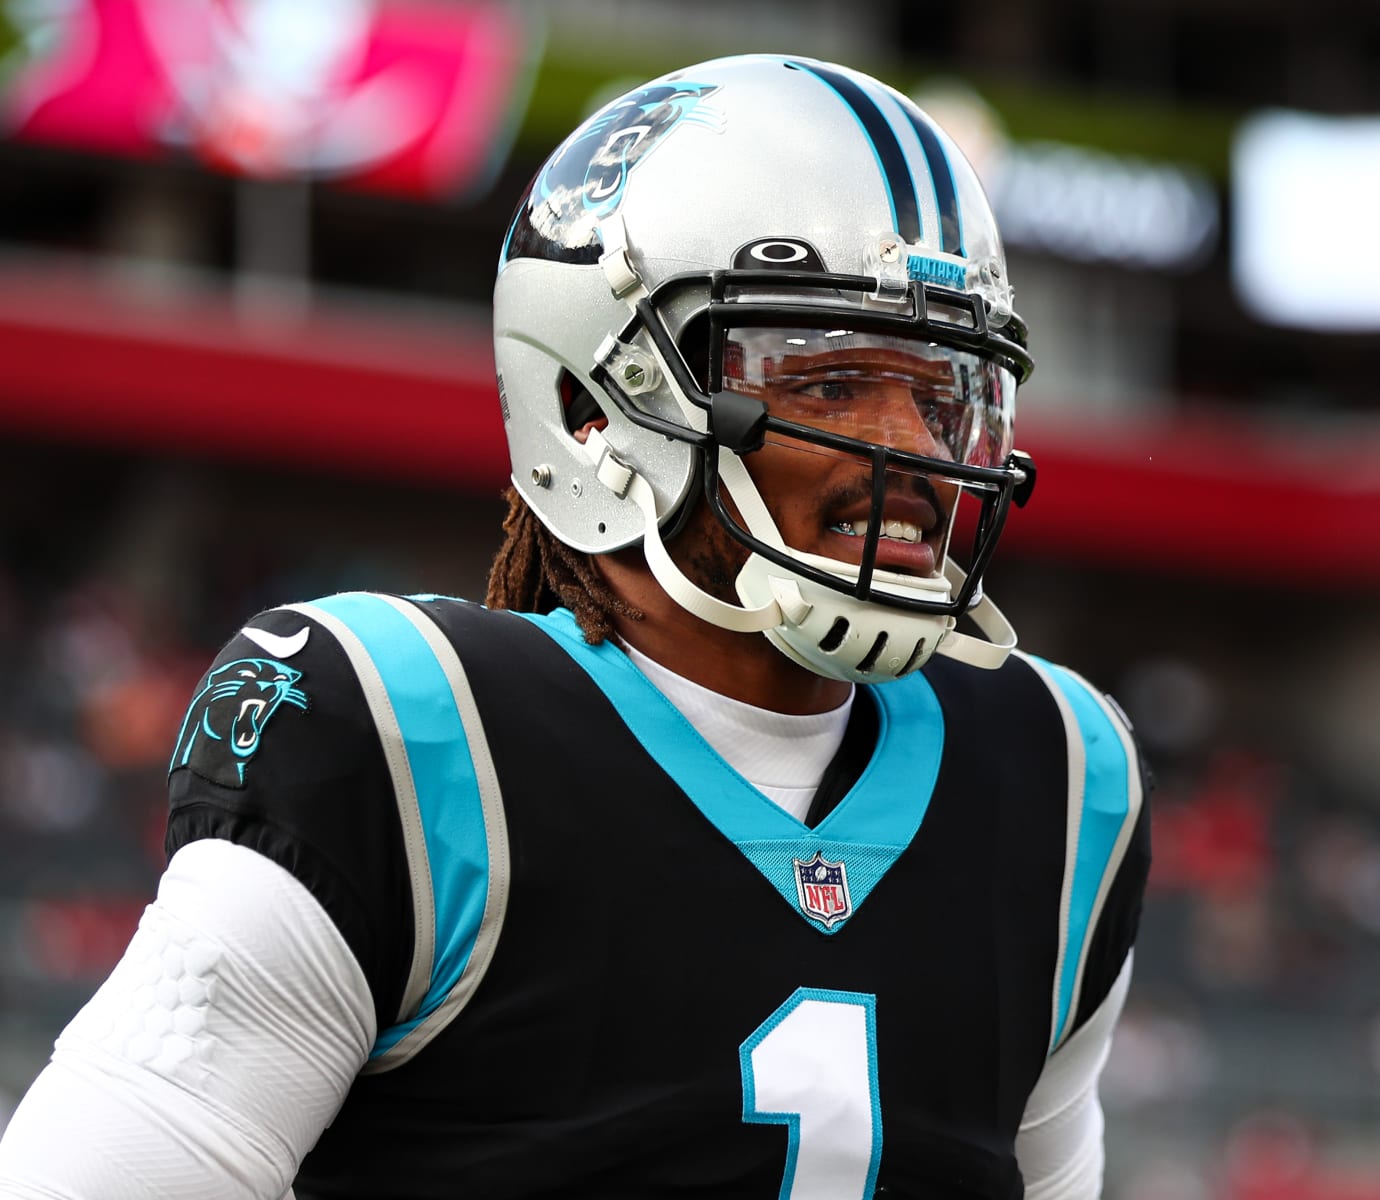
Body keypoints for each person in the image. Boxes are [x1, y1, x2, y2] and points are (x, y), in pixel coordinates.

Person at [0, 54, 1149, 1200]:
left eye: (946, 395)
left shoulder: (1056, 777)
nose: (917, 457)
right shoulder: (411, 737)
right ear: (592, 406)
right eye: (831, 383)